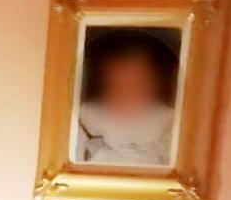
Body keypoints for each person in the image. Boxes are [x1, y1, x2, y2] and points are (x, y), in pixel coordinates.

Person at [75, 29, 177, 167]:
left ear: (153, 86)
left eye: (135, 84)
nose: (125, 93)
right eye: (116, 85)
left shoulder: (164, 120)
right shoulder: (94, 115)